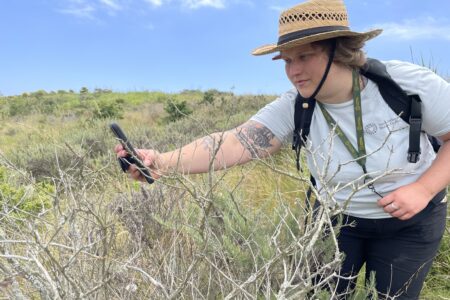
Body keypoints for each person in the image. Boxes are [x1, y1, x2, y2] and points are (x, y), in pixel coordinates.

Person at [115, 0, 450, 298]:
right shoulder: (295, 106)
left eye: (304, 56)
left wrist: (423, 188)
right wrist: (161, 161)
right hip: (332, 224)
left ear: (340, 50)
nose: (293, 71)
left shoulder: (407, 85)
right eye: (286, 60)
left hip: (412, 224)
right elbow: (234, 142)